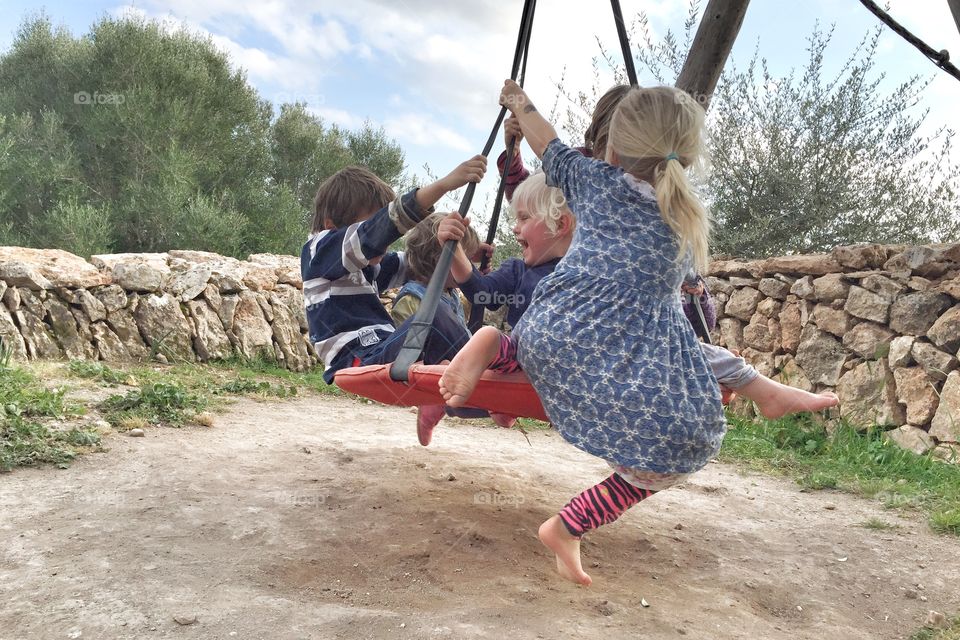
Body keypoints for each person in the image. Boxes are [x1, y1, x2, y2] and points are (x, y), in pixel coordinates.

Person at [439, 81, 834, 587]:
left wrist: (521, 103)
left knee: (666, 350)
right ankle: (570, 523)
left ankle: (498, 343)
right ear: (687, 157)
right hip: (612, 343)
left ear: (613, 148)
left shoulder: (594, 180)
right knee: (684, 439)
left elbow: (548, 142)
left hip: (550, 329)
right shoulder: (685, 220)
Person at [301, 157, 485, 441]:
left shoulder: (369, 268)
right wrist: (444, 185)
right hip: (358, 359)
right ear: (332, 227)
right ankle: (487, 391)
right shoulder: (319, 253)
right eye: (375, 234)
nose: (384, 245)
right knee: (433, 316)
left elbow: (422, 263)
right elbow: (377, 232)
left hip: (384, 349)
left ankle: (441, 400)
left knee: (441, 323)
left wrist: (464, 255)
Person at [389, 211, 480, 328]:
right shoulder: (412, 301)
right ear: (436, 260)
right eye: (465, 260)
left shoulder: (449, 292)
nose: (469, 267)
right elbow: (407, 343)